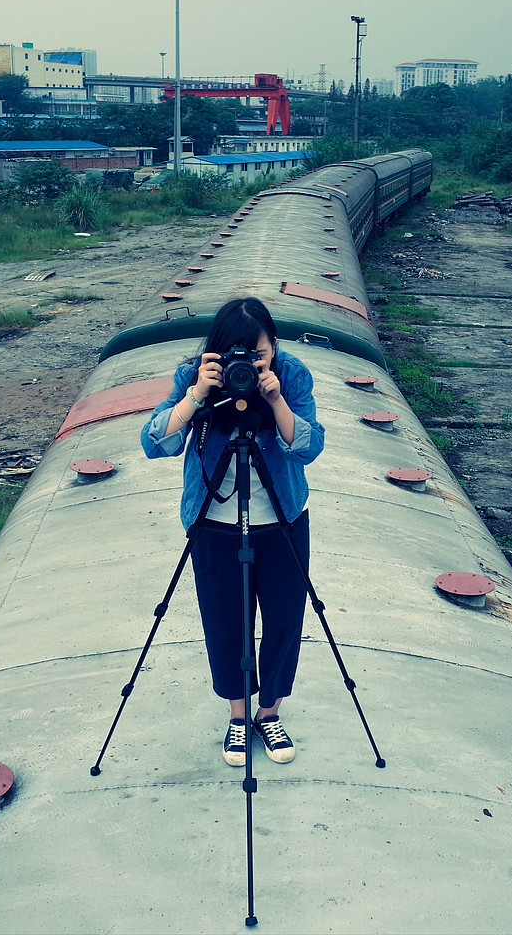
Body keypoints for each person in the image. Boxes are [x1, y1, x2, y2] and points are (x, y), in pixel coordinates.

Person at [141, 297, 325, 766]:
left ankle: (269, 714)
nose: (248, 364)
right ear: (216, 351)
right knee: (226, 625)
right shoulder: (195, 375)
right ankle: (238, 718)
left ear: (274, 346)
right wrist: (196, 395)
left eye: (259, 354)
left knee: (284, 620)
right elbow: (154, 443)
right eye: (236, 355)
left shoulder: (291, 374)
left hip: (282, 520)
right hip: (214, 526)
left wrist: (275, 398)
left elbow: (309, 447)